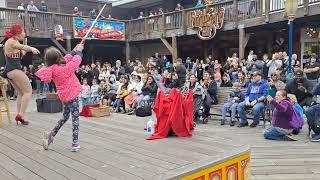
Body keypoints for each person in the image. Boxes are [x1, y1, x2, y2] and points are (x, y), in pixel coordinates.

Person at [35, 44, 84, 152]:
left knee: (65, 117)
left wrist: (73, 51)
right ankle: (75, 143)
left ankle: (51, 135)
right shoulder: (63, 69)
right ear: (58, 58)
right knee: (75, 119)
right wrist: (79, 52)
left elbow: (66, 59)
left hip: (64, 96)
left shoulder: (53, 68)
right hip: (72, 95)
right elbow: (75, 63)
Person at [3, 24, 40, 125]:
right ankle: (21, 115)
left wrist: (25, 46)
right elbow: (21, 47)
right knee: (28, 91)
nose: (25, 33)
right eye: (23, 31)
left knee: (21, 93)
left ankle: (20, 116)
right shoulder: (11, 41)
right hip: (14, 70)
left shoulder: (12, 42)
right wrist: (31, 48)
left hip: (11, 71)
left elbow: (21, 53)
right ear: (18, 33)